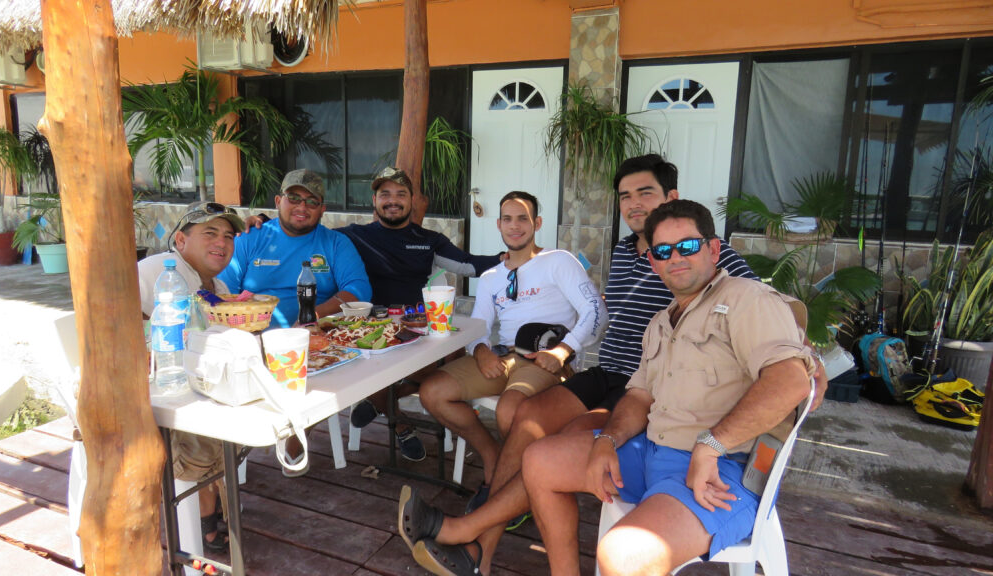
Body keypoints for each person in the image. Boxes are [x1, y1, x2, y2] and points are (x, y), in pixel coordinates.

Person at [396, 155, 823, 576]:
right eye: (625, 196)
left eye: (646, 193)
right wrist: (607, 433)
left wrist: (807, 357)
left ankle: (476, 548)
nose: (635, 204)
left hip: (676, 420)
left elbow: (777, 333)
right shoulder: (632, 264)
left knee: (551, 437)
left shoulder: (724, 273)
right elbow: (611, 331)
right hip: (621, 378)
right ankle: (477, 543)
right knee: (529, 425)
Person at [521, 199, 815, 576]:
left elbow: (790, 381)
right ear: (653, 261)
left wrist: (711, 446)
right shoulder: (660, 322)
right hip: (652, 452)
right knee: (539, 460)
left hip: (725, 470)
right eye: (663, 250)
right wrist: (607, 441)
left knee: (623, 555)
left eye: (687, 245)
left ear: (712, 249)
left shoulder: (747, 299)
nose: (675, 256)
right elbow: (640, 396)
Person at [247, 166, 504, 461]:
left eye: (400, 194)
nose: (392, 200)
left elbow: (469, 265)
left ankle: (379, 399)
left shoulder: (430, 240)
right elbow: (308, 233)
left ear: (414, 201)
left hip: (417, 327)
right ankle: (401, 424)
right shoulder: (353, 236)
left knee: (452, 359)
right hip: (366, 331)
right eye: (385, 194)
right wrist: (265, 223)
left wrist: (511, 256)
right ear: (374, 200)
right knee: (371, 367)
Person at [417, 190, 608, 503]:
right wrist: (480, 351)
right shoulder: (492, 276)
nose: (515, 225)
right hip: (503, 357)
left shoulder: (557, 261)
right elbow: (480, 324)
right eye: (508, 219)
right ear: (499, 224)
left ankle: (514, 491)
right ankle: (493, 457)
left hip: (545, 359)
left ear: (537, 223)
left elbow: (596, 312)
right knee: (432, 392)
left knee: (509, 408)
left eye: (523, 218)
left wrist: (562, 351)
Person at [137, 201, 247, 552]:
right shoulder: (156, 270)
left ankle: (210, 512)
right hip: (151, 399)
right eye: (210, 233)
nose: (222, 243)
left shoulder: (218, 288)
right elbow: (117, 322)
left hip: (187, 390)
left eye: (228, 236)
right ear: (180, 241)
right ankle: (204, 518)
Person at [219, 168, 372, 328]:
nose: (302, 206)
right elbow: (224, 294)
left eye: (312, 201)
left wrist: (312, 316)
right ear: (278, 201)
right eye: (293, 198)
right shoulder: (248, 237)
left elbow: (360, 290)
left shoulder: (336, 243)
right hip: (254, 338)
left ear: (322, 210)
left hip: (317, 338)